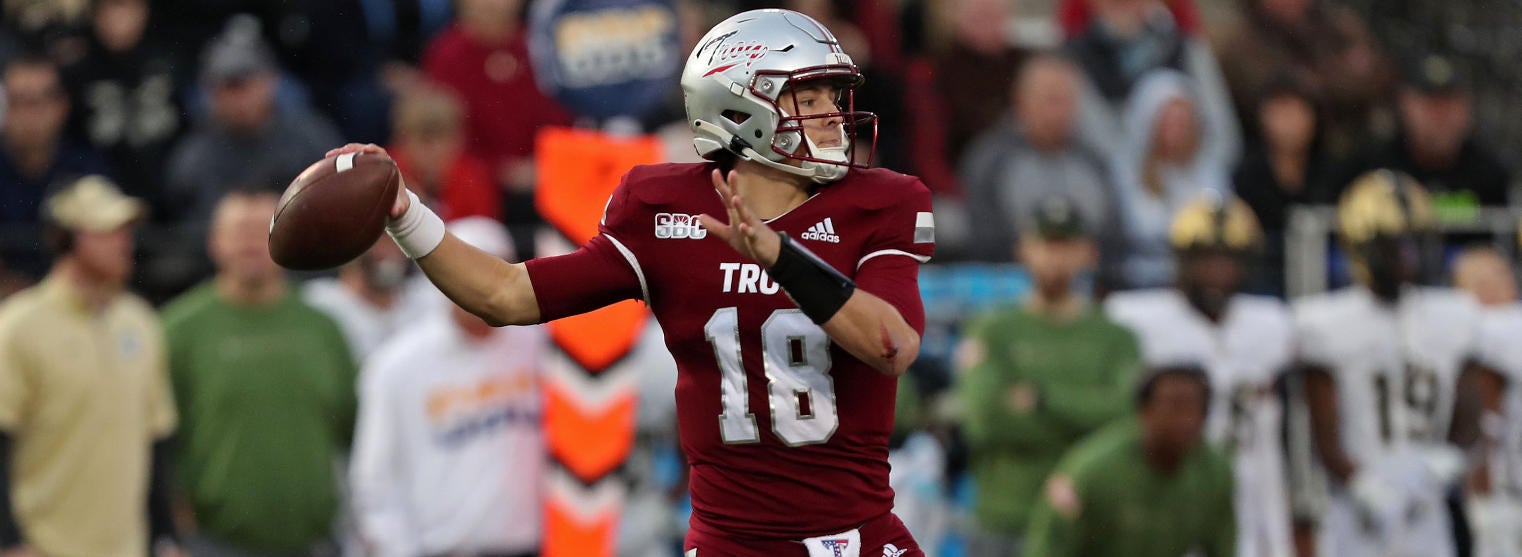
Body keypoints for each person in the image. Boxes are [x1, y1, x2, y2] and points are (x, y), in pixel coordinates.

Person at [330, 8, 936, 555]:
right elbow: (505, 295)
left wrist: (781, 256)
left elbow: (893, 346)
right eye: (811, 96)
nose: (834, 113)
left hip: (861, 535)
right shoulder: (662, 206)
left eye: (835, 93)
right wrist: (406, 215)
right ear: (740, 108)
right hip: (735, 544)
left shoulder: (881, 202)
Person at [1292, 170, 1498, 557]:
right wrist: (1358, 484)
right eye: (1393, 245)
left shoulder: (1455, 316)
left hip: (1428, 508)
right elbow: (1322, 430)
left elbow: (1470, 412)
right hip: (1355, 512)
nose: (1407, 256)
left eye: (1414, 242)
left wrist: (1447, 459)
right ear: (1361, 247)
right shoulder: (1324, 323)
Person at [162, 190, 356, 556]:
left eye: (263, 230)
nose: (250, 242)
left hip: (316, 541)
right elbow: (158, 439)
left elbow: (356, 431)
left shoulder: (324, 329)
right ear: (213, 242)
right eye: (238, 231)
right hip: (212, 543)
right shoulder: (178, 330)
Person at [1106, 194, 1296, 557]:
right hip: (1175, 484)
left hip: (1250, 482)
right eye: (1206, 259)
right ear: (1182, 260)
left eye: (1228, 260)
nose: (1217, 273)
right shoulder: (1136, 321)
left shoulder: (1271, 324)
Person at [0, 176, 179, 556]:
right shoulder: (17, 326)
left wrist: (165, 537)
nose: (123, 242)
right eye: (107, 231)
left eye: (126, 230)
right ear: (65, 239)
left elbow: (154, 441)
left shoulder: (141, 322)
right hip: (45, 548)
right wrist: (9, 540)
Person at [956, 194, 1142, 556]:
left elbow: (1126, 420)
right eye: (1045, 243)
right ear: (1023, 249)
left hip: (1090, 521)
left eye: (1065, 245)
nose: (1054, 257)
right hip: (1005, 516)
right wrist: (1083, 418)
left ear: (1088, 252)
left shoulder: (1117, 338)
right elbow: (984, 420)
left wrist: (1042, 399)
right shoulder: (992, 329)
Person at [350, 217, 547, 557]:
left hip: (534, 546)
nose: (480, 289)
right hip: (440, 548)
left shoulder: (543, 351)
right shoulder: (398, 365)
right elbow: (375, 483)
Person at [1022, 365, 1236, 557]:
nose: (1186, 419)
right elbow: (1049, 546)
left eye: (1196, 408)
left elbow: (1223, 545)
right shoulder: (1093, 468)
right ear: (1144, 411)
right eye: (1174, 407)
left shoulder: (1215, 473)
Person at [164, 18, 343, 225]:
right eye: (228, 87)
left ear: (272, 81)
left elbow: (338, 203)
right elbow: (184, 229)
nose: (239, 98)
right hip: (220, 256)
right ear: (210, 94)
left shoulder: (311, 138)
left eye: (246, 83)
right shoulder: (193, 159)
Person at [958, 54, 1118, 268]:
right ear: (1021, 100)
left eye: (1067, 100)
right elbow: (982, 237)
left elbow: (1114, 233)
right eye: (1051, 100)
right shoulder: (990, 160)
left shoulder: (1094, 162)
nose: (1059, 112)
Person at [422, 0, 572, 194]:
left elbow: (564, 119)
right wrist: (496, 170)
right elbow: (440, 133)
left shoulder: (542, 48)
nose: (489, 4)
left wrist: (545, 164)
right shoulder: (445, 55)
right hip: (472, 187)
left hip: (546, 180)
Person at [1067, 0, 1240, 166]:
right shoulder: (1074, 58)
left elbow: (1222, 133)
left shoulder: (1186, 48)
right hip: (1111, 182)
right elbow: (1099, 138)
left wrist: (1195, 174)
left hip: (1191, 176)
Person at [1328, 54, 1511, 208]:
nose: (1439, 117)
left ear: (1468, 108)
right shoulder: (1369, 167)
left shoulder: (1490, 175)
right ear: (1405, 106)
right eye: (1430, 106)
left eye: (1448, 105)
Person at [1213, 0, 1392, 156]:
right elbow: (1284, 92)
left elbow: (1377, 70)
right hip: (1280, 157)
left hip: (1355, 138)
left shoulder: (1334, 21)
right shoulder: (1241, 46)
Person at [1110, 69, 1230, 290]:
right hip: (1140, 281)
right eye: (1167, 121)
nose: (1176, 130)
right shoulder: (1126, 175)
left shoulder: (1210, 171)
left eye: (1183, 122)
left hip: (1200, 284)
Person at [61, 0, 185, 214]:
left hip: (167, 195)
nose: (117, 18)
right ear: (95, 15)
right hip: (99, 199)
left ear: (143, 10)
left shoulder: (169, 62)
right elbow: (71, 142)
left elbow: (185, 129)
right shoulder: (76, 72)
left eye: (124, 6)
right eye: (107, 8)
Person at [0, 54, 110, 278]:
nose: (27, 115)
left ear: (61, 106)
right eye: (17, 102)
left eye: (37, 102)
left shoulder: (86, 169)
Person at [1232, 74, 1334, 296]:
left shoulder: (1330, 170)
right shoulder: (1247, 174)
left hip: (1323, 271)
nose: (1290, 123)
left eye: (1298, 111)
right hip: (1265, 276)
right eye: (1280, 112)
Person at [1454, 245, 1522, 557]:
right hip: (1505, 489)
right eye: (1481, 280)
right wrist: (1481, 493)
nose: (1494, 284)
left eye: (1499, 275)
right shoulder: (1482, 327)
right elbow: (1485, 419)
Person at [303, 237, 440, 363]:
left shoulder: (426, 298)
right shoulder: (321, 303)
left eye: (396, 239)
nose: (387, 251)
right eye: (378, 240)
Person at [387, 84, 500, 222]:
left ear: (460, 140)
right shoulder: (388, 174)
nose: (436, 150)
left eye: (444, 138)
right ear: (403, 140)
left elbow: (481, 230)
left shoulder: (473, 177)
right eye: (425, 140)